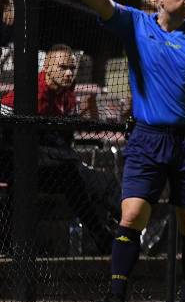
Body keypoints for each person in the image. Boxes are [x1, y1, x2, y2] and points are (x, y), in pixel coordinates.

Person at [43, 0, 185, 302]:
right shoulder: (135, 25)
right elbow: (103, 2)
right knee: (130, 216)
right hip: (148, 139)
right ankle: (117, 298)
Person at [0, 44, 115, 255]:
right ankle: (101, 234)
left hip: (55, 163)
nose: (69, 73)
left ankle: (121, 234)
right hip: (19, 163)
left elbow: (65, 133)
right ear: (47, 67)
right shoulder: (30, 91)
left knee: (103, 183)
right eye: (63, 67)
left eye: (72, 68)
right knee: (73, 175)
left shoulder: (66, 91)